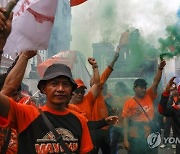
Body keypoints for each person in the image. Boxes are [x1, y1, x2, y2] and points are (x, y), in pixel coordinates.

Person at [0, 61, 94, 153]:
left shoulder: (80, 120)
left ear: (71, 90)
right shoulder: (27, 115)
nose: (60, 89)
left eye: (65, 84)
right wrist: (24, 57)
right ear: (44, 88)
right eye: (54, 84)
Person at [122, 59, 166, 154]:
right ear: (134, 88)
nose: (143, 89)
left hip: (150, 136)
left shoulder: (149, 95)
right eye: (141, 87)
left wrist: (160, 68)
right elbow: (125, 122)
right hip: (134, 138)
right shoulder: (129, 102)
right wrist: (125, 140)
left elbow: (155, 82)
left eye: (145, 87)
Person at [90, 50, 119, 154]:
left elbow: (105, 75)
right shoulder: (89, 98)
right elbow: (104, 76)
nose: (97, 84)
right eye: (93, 82)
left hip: (105, 129)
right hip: (94, 131)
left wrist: (114, 60)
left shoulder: (101, 96)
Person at [158, 77, 180, 154]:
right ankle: (165, 142)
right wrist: (166, 92)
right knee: (167, 128)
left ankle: (173, 142)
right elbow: (162, 110)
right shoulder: (175, 106)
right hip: (171, 116)